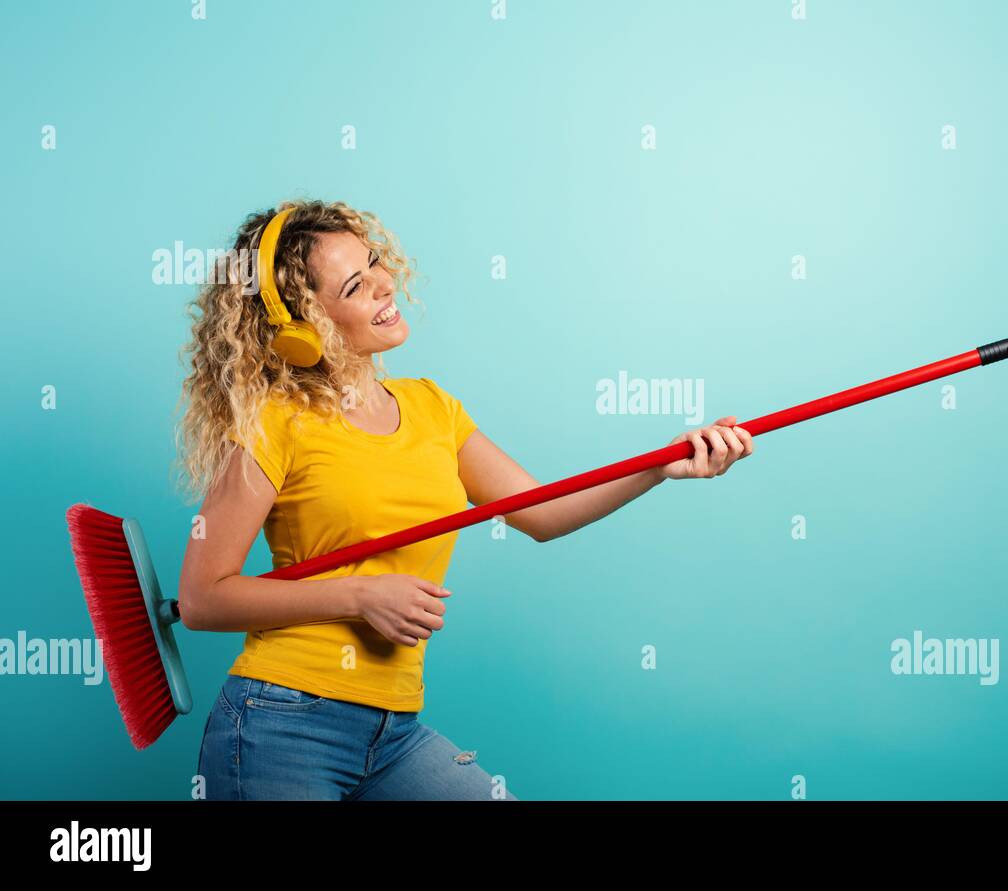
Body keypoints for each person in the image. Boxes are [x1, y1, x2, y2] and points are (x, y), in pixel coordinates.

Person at [174, 199, 754, 800]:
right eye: (355, 285)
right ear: (304, 324)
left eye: (374, 263)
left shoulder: (433, 408)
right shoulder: (277, 424)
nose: (383, 284)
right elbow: (201, 598)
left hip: (393, 728)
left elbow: (545, 511)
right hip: (281, 720)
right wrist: (359, 593)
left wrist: (661, 466)